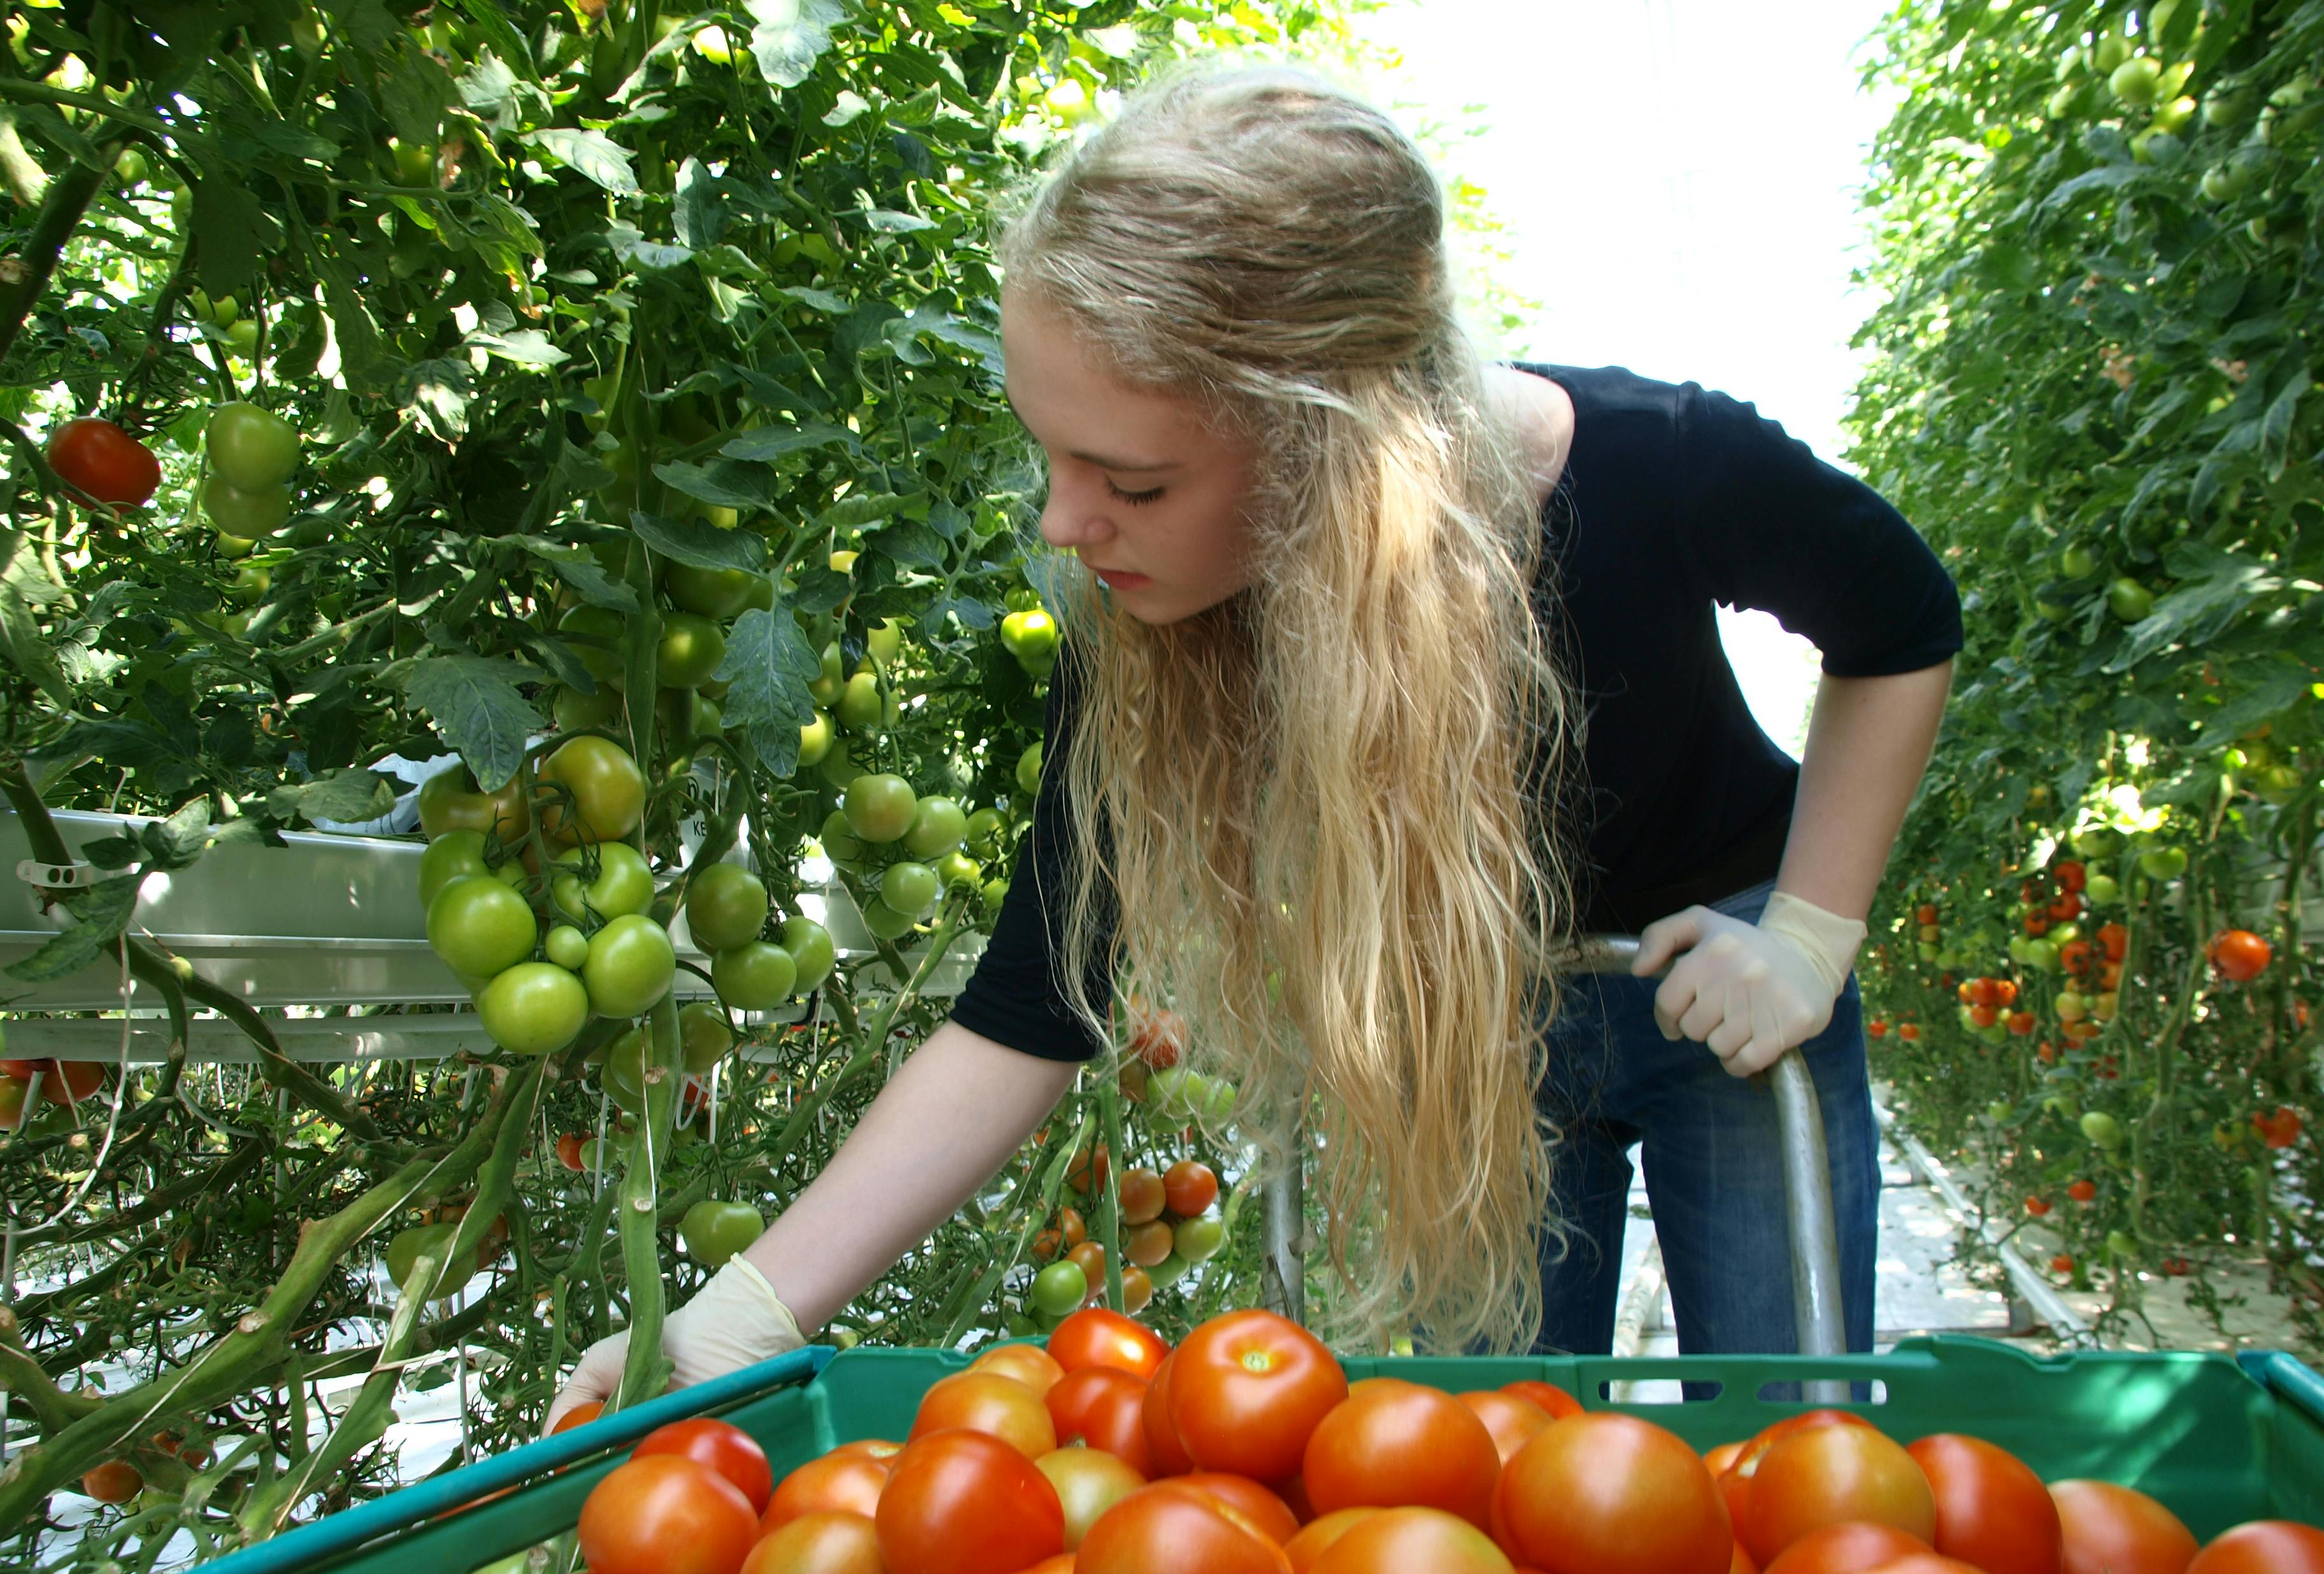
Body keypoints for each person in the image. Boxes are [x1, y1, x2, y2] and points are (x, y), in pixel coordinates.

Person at [549, 64, 1956, 1421]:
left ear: (1338, 449)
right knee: (1513, 1467)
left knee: (1790, 1433)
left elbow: (1900, 616)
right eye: (1052, 456)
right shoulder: (1154, 612)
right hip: (1486, 1021)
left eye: (1133, 479)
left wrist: (1810, 938)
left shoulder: (1657, 461)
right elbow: (1036, 1004)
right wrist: (738, 1315)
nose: (1063, 522)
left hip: (1726, 988)